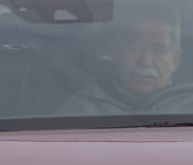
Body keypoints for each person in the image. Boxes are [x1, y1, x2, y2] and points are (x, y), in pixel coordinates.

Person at [55, 7, 183, 115]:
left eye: (158, 50)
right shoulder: (78, 111)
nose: (145, 62)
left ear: (176, 61)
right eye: (133, 47)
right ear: (116, 52)